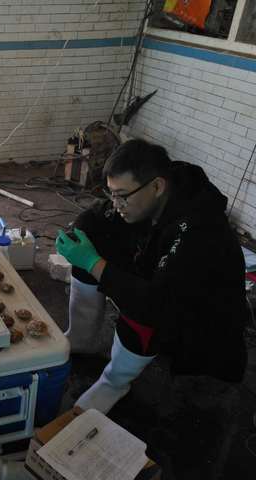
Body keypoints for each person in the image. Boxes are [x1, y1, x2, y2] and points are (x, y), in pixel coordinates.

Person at [56, 139, 247, 414]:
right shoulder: (156, 189)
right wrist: (78, 232)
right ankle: (82, 337)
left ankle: (114, 383)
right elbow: (97, 216)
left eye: (122, 196)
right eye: (111, 193)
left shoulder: (199, 231)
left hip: (201, 329)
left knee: (139, 300)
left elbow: (155, 303)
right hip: (163, 284)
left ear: (157, 186)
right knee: (91, 240)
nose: (116, 204)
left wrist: (92, 262)